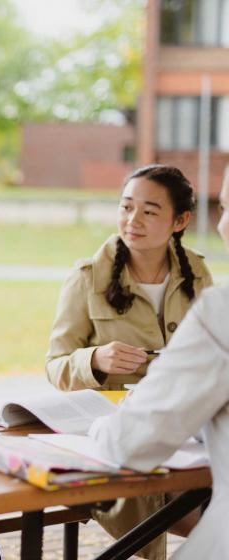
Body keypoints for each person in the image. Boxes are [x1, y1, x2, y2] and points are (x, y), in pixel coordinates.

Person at [45, 164, 213, 559]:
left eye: (150, 211)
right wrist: (96, 360)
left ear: (180, 220)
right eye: (126, 207)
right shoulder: (86, 277)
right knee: (188, 507)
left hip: (186, 427)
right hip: (115, 432)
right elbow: (55, 366)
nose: (132, 220)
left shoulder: (198, 273)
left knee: (208, 499)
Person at [89, 168, 229, 559]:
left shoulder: (218, 307)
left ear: (180, 221)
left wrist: (97, 428)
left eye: (227, 208)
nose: (222, 225)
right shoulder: (87, 276)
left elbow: (128, 443)